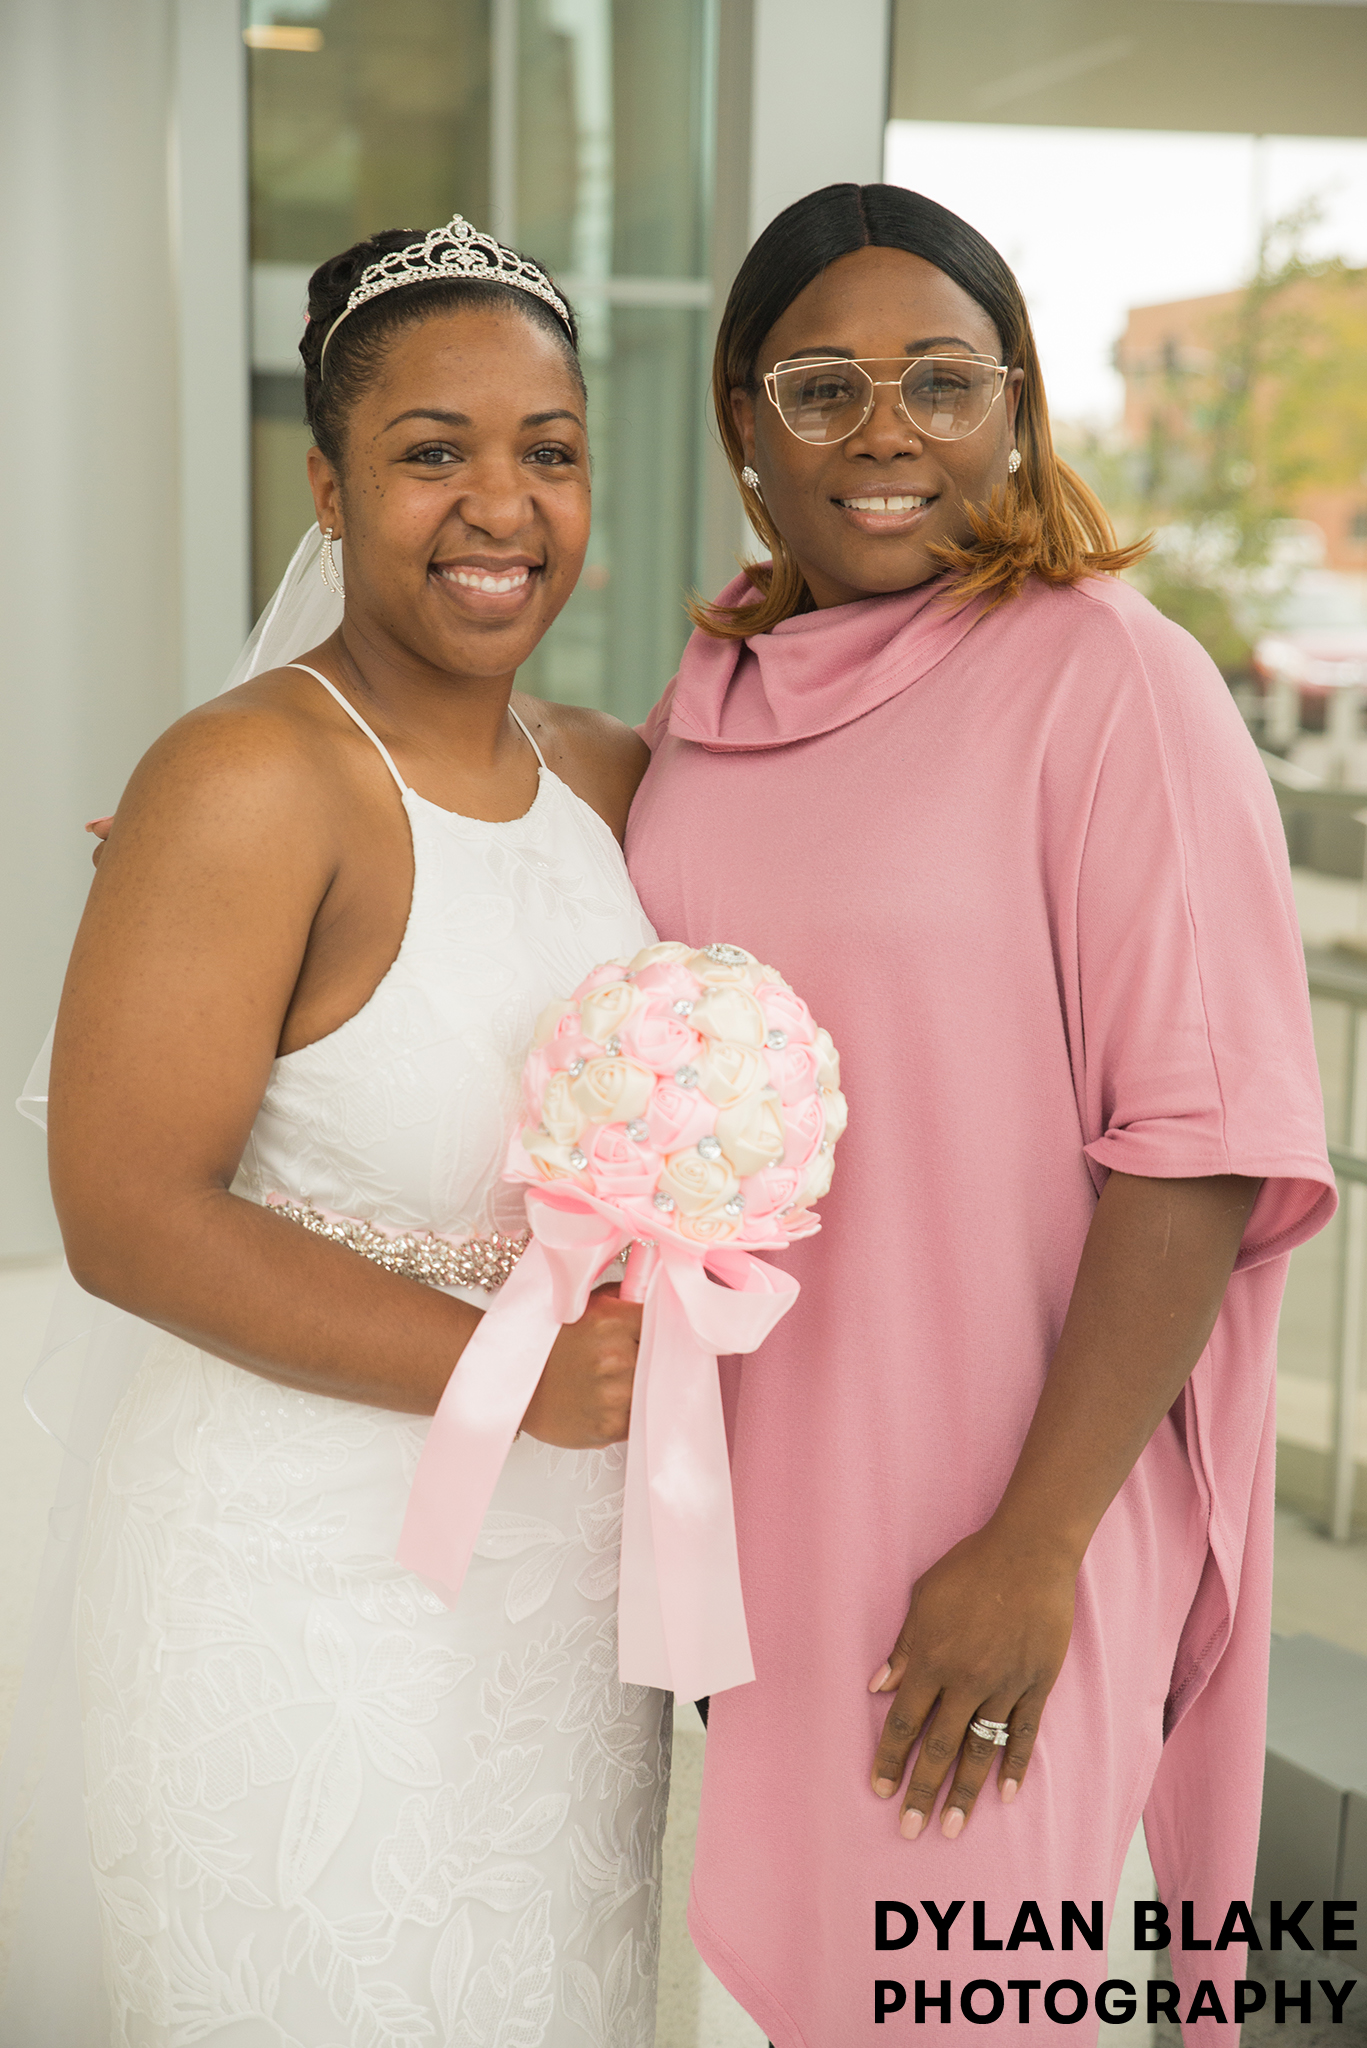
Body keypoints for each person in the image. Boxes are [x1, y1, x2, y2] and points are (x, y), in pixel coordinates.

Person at [625, 184, 1333, 2046]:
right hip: (752, 1520)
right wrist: (315, 809)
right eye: (823, 385)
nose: (887, 433)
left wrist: (1032, 1551)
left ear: (1015, 411)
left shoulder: (1115, 684)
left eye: (943, 381)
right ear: (742, 424)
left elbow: (1199, 1145)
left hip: (1007, 1521)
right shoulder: (712, 707)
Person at [1, 218, 669, 2046]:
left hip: (557, 1617)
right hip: (294, 1594)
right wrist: (507, 1374)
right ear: (327, 482)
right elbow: (127, 1213)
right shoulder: (246, 776)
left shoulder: (613, 779)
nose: (500, 506)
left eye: (549, 450)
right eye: (431, 451)